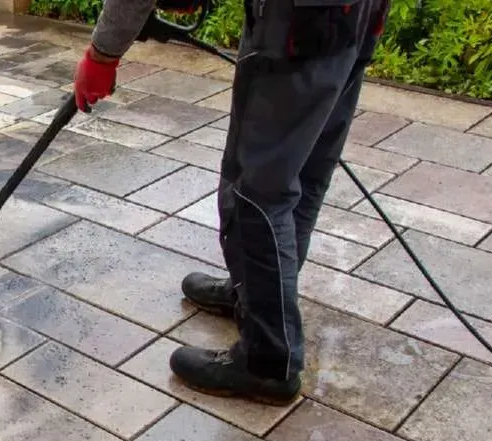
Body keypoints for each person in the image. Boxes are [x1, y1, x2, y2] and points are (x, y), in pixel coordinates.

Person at [73, 0, 390, 405]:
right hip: (354, 13)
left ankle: (268, 360)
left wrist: (102, 55)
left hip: (298, 22)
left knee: (258, 193)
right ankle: (255, 295)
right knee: (305, 168)